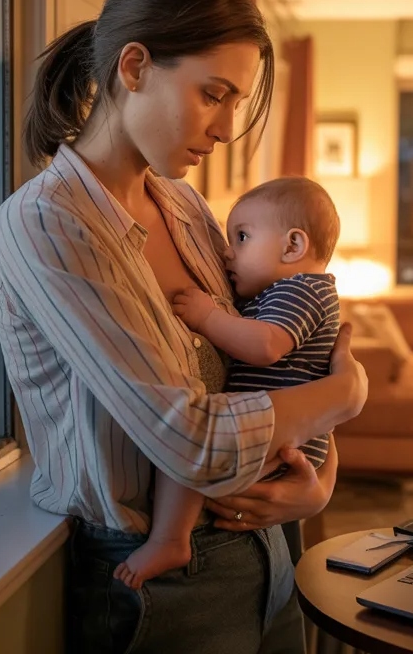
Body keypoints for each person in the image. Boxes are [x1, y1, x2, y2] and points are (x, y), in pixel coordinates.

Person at [0, 0, 367, 654]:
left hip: (269, 545)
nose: (225, 129)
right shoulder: (48, 224)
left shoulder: (186, 207)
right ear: (134, 67)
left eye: (235, 103)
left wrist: (319, 481)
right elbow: (188, 438)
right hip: (161, 582)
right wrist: (343, 397)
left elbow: (270, 370)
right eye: (214, 94)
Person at [114, 177, 342, 589]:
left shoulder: (303, 291)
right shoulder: (276, 292)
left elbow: (266, 346)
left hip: (280, 440)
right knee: (192, 444)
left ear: (293, 246)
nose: (227, 251)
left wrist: (208, 318)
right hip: (278, 435)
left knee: (189, 448)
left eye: (242, 237)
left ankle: (170, 540)